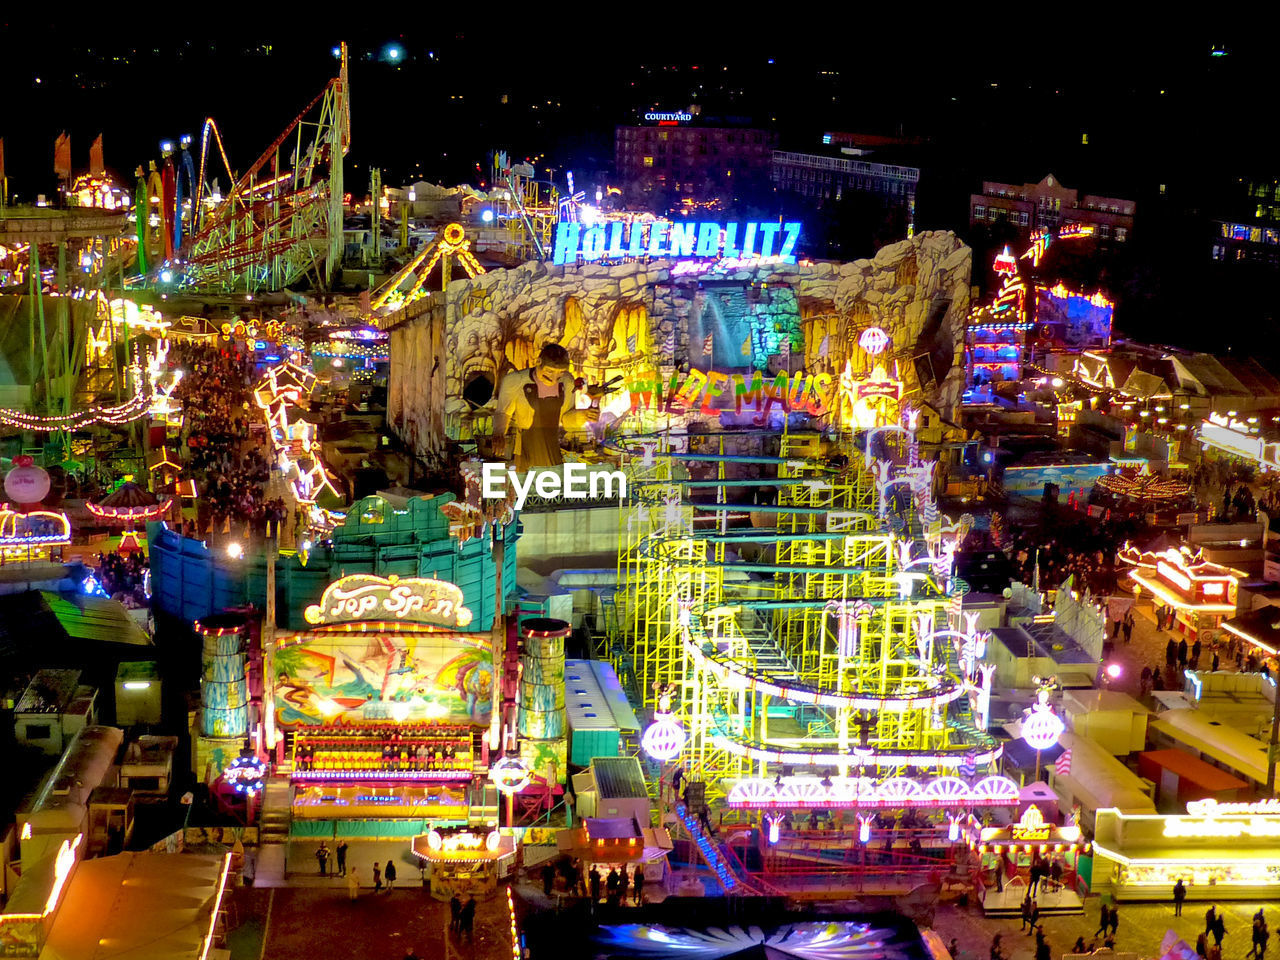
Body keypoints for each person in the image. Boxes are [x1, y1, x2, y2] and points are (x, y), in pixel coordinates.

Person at [490, 343, 601, 469]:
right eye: (550, 370)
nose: (554, 378)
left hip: (552, 451)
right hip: (525, 452)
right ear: (538, 362)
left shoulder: (567, 382)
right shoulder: (515, 381)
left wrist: (583, 415)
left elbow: (566, 421)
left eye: (561, 372)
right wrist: (499, 433)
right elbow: (503, 412)